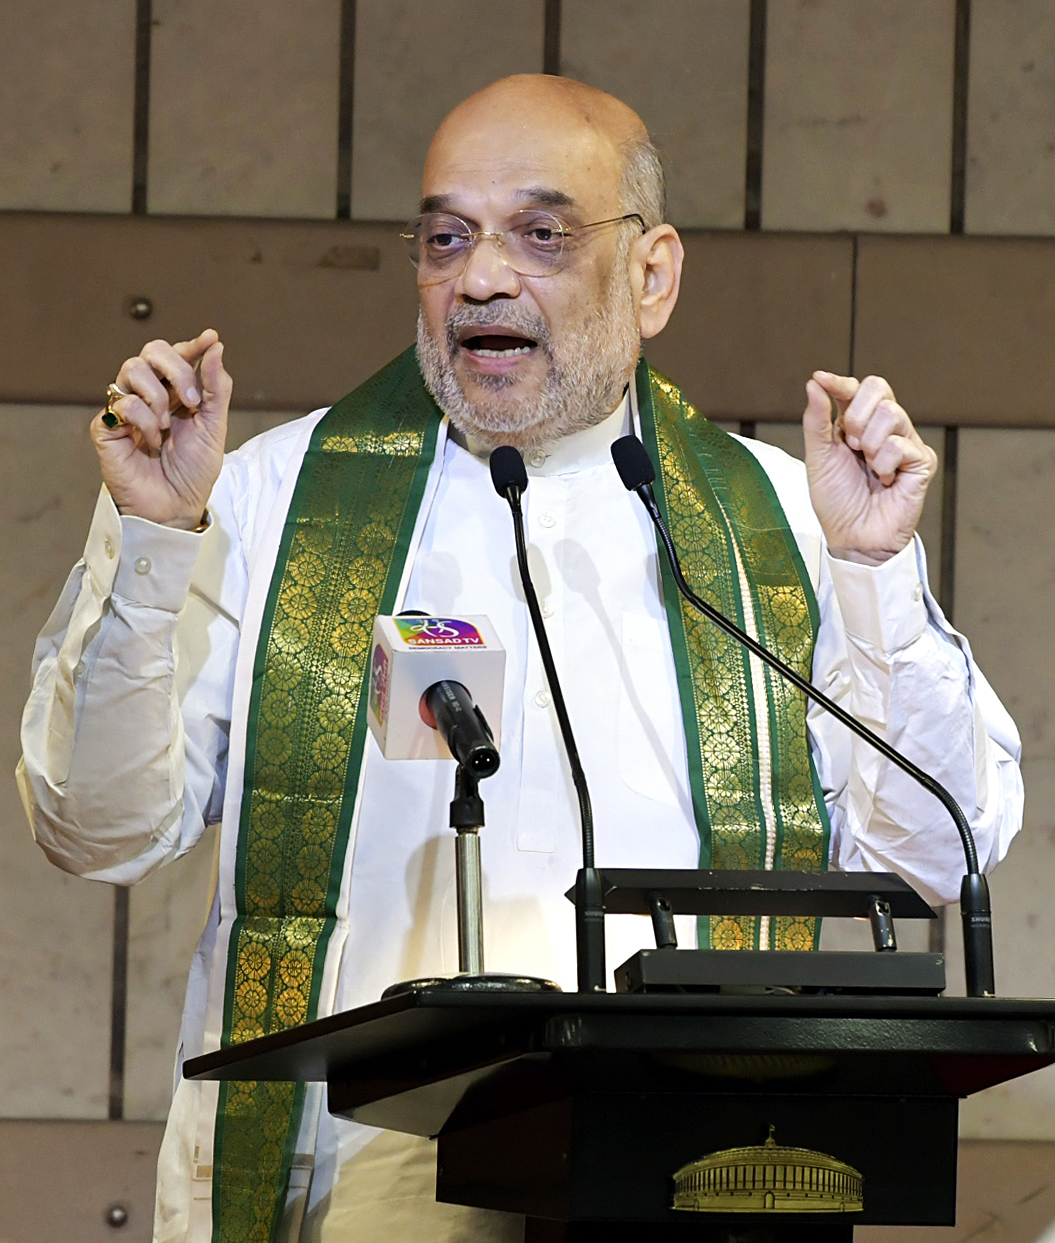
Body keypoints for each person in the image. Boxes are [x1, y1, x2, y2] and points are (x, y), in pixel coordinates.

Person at [18, 75, 1021, 1243]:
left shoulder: (791, 523)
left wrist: (874, 577)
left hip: (681, 1173)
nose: (479, 277)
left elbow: (938, 851)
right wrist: (149, 540)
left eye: (539, 235)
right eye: (445, 238)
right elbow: (96, 827)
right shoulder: (264, 502)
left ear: (652, 276)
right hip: (359, 1177)